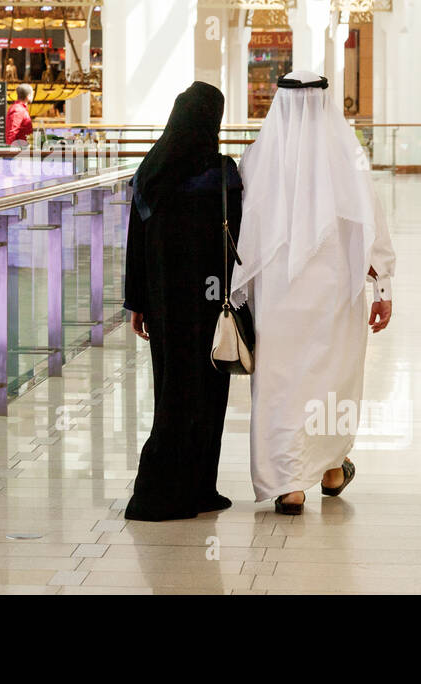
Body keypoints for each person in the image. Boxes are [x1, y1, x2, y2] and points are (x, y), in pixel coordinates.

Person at [230, 71, 394, 515]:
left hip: (278, 300)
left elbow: (243, 233)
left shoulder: (257, 158)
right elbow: (371, 225)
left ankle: (289, 486)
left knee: (282, 384)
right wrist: (382, 287)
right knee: (330, 380)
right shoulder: (348, 156)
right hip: (336, 296)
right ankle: (331, 469)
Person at [124, 81, 241, 521]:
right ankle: (190, 488)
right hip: (212, 304)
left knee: (172, 391)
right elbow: (237, 239)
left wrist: (138, 302)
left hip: (165, 306)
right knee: (209, 394)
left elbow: (135, 242)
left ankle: (175, 488)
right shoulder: (223, 174)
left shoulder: (152, 171)